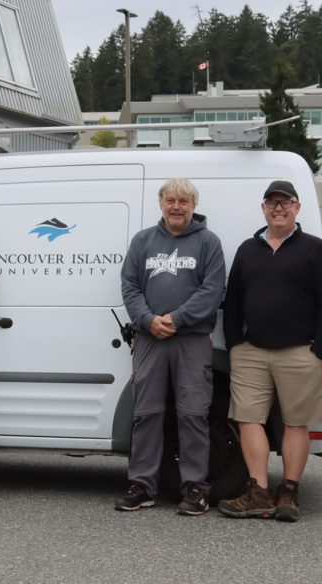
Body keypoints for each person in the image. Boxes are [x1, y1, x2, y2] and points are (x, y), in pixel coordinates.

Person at [218, 180, 322, 522]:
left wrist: (320, 350)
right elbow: (234, 302)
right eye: (272, 203)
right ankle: (258, 492)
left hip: (301, 353)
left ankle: (289, 492)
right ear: (263, 208)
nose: (279, 208)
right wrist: (234, 345)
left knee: (296, 423)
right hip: (251, 352)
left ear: (297, 208)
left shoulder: (316, 250)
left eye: (285, 202)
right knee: (248, 420)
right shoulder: (247, 249)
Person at [115, 178, 225, 515]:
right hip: (149, 339)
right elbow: (129, 285)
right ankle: (142, 484)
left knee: (193, 414)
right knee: (147, 413)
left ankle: (195, 487)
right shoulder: (143, 240)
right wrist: (148, 321)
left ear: (193, 205)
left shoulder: (208, 242)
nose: (176, 207)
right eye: (170, 200)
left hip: (190, 339)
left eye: (183, 201)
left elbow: (213, 290)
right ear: (161, 203)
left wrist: (176, 319)